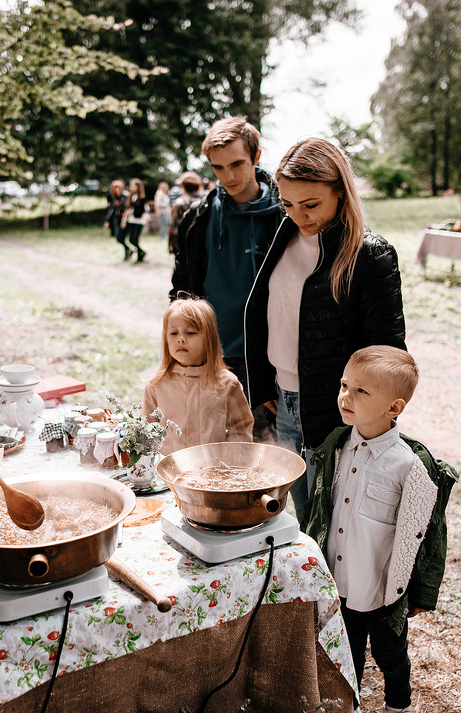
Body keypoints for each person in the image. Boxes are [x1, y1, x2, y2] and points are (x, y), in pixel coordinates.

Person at [243, 136, 406, 516]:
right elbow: (269, 313)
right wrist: (268, 384)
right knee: (300, 514)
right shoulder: (284, 236)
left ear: (341, 191)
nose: (299, 216)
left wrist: (366, 414)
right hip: (284, 401)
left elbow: (388, 351)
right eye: (287, 204)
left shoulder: (370, 253)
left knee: (331, 523)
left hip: (338, 410)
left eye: (311, 204)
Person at [301, 346, 450, 713]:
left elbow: (423, 534)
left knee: (391, 657)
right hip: (339, 582)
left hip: (382, 590)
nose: (345, 397)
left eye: (361, 391)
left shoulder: (408, 466)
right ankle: (351, 709)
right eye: (344, 385)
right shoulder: (337, 446)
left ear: (394, 406)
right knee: (344, 653)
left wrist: (414, 592)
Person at [170, 117, 285, 444]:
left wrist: (278, 371)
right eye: (218, 168)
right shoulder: (198, 219)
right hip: (211, 359)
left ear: (256, 157)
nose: (229, 176)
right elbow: (181, 290)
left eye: (237, 164)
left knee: (264, 463)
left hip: (266, 361)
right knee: (210, 459)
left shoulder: (283, 215)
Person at [142, 297, 253, 455]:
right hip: (169, 474)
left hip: (214, 472)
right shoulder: (157, 385)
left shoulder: (227, 383)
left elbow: (241, 429)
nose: (181, 338)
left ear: (209, 338)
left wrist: (232, 462)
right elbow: (145, 432)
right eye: (173, 333)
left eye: (190, 332)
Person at [167, 171, 204, 255]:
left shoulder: (179, 203)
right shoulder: (204, 203)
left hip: (181, 241)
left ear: (183, 186)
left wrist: (170, 242)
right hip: (200, 241)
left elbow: (172, 224)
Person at [122, 177, 148, 263]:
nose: (131, 188)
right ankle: (140, 253)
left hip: (138, 221)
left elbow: (141, 211)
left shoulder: (142, 198)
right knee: (131, 239)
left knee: (133, 239)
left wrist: (131, 212)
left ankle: (141, 252)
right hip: (131, 220)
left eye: (132, 186)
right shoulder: (132, 197)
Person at [104, 179, 130, 259]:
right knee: (118, 238)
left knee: (122, 237)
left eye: (118, 188)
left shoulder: (126, 196)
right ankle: (128, 249)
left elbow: (128, 208)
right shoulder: (113, 198)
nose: (116, 190)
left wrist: (125, 219)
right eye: (115, 188)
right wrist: (107, 220)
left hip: (126, 220)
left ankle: (128, 251)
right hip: (117, 219)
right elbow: (111, 210)